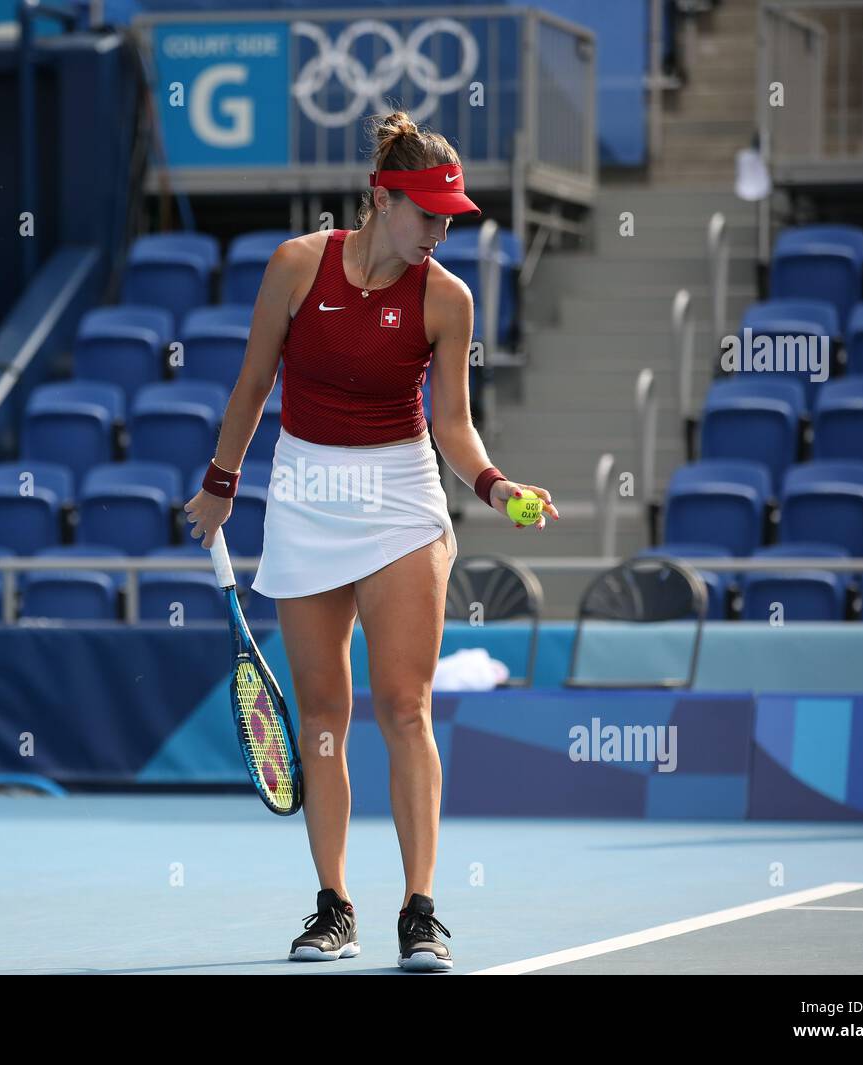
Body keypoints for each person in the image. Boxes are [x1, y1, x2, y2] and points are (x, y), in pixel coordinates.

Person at [184, 111, 560, 972]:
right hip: (307, 492)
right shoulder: (292, 267)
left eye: (448, 217)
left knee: (403, 704)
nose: (439, 231)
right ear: (381, 199)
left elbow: (453, 427)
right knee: (323, 716)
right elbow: (252, 384)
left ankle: (420, 911)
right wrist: (220, 484)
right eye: (427, 213)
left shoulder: (447, 299)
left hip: (400, 494)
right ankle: (332, 906)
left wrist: (497, 487)